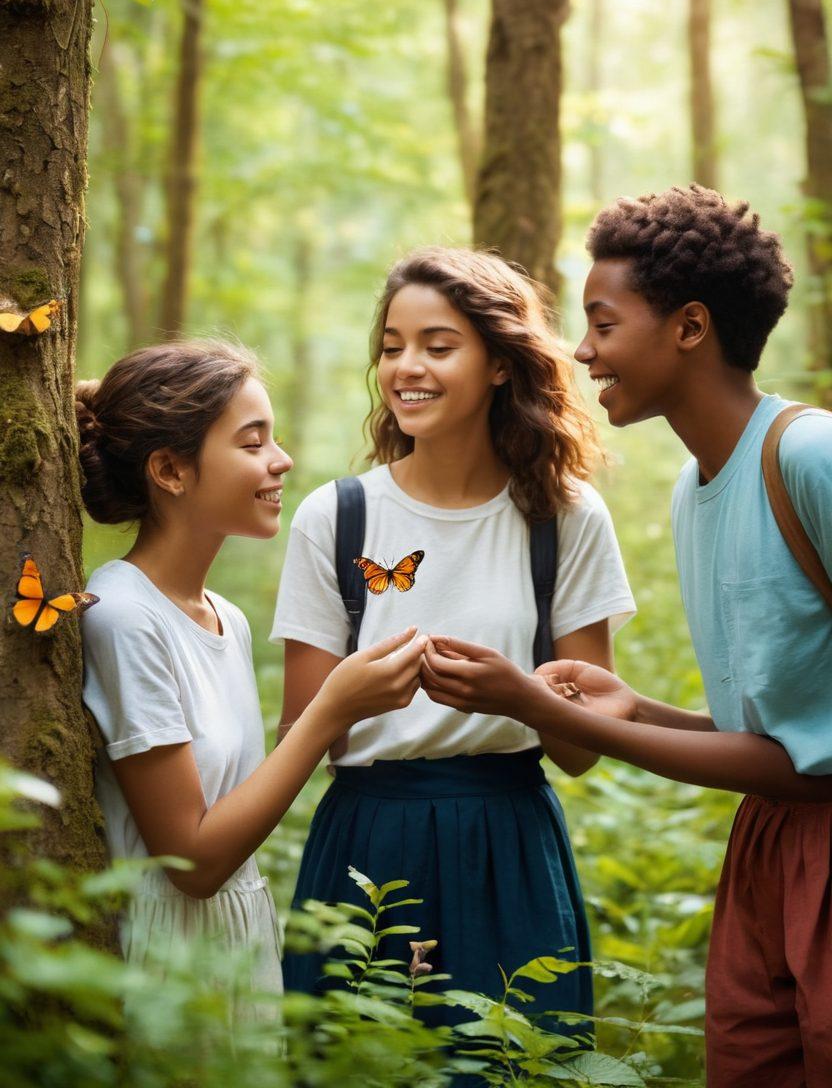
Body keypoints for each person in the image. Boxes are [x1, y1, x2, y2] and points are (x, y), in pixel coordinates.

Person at [420, 187, 832, 1087]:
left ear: (689, 327)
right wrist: (640, 708)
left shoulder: (810, 459)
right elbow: (792, 743)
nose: (581, 350)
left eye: (602, 324)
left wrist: (539, 705)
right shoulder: (696, 488)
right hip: (768, 847)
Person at [271, 247, 635, 1030]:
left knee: (511, 1066)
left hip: (510, 850)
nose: (408, 367)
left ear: (501, 363)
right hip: (367, 842)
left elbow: (583, 748)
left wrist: (523, 696)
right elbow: (297, 737)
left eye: (438, 346)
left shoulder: (564, 518)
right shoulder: (336, 519)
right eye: (393, 346)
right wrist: (347, 702)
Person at [78, 340, 426, 999]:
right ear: (170, 471)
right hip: (167, 964)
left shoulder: (225, 618)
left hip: (236, 945)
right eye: (252, 442)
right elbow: (193, 861)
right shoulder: (123, 614)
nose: (281, 460)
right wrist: (331, 710)